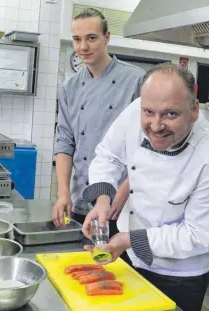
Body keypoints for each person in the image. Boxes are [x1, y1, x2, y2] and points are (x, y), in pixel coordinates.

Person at [81, 63, 209, 311]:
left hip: (179, 273)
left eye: (170, 114)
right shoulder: (135, 112)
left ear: (194, 110)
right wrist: (103, 200)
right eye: (149, 112)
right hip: (130, 256)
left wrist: (127, 239)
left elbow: (197, 236)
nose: (156, 125)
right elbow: (108, 154)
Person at [52, 8, 145, 231]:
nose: (83, 47)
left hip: (122, 204)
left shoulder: (135, 80)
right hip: (80, 200)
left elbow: (147, 148)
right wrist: (63, 193)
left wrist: (121, 196)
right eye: (77, 39)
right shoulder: (69, 88)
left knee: (117, 265)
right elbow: (65, 143)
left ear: (107, 38)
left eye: (91, 38)